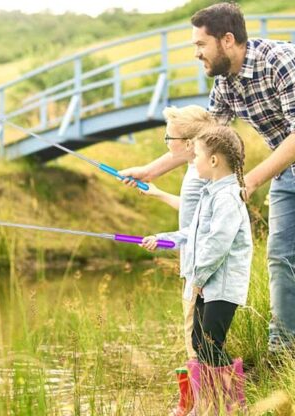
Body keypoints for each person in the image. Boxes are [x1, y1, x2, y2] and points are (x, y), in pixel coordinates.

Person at [121, 2, 295, 354]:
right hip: (287, 173)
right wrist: (149, 171)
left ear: (227, 40)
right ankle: (285, 347)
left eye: (201, 45)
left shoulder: (280, 63)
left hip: (278, 167)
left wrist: (253, 180)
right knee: (280, 257)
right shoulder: (225, 84)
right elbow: (202, 143)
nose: (197, 54)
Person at [142, 125, 252, 414]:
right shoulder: (210, 194)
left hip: (220, 286)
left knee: (211, 343)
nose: (194, 161)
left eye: (197, 155)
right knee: (199, 342)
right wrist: (163, 239)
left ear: (214, 160)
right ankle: (215, 403)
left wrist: (199, 279)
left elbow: (217, 243)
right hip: (206, 284)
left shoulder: (227, 197)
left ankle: (232, 404)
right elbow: (194, 233)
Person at [139, 105, 215, 415]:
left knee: (193, 336)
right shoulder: (195, 171)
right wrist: (157, 193)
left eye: (168, 136)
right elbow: (193, 210)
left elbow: (196, 228)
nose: (165, 140)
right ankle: (197, 401)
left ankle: (200, 405)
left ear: (185, 143)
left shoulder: (198, 175)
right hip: (193, 267)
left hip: (197, 269)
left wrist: (164, 240)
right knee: (197, 334)